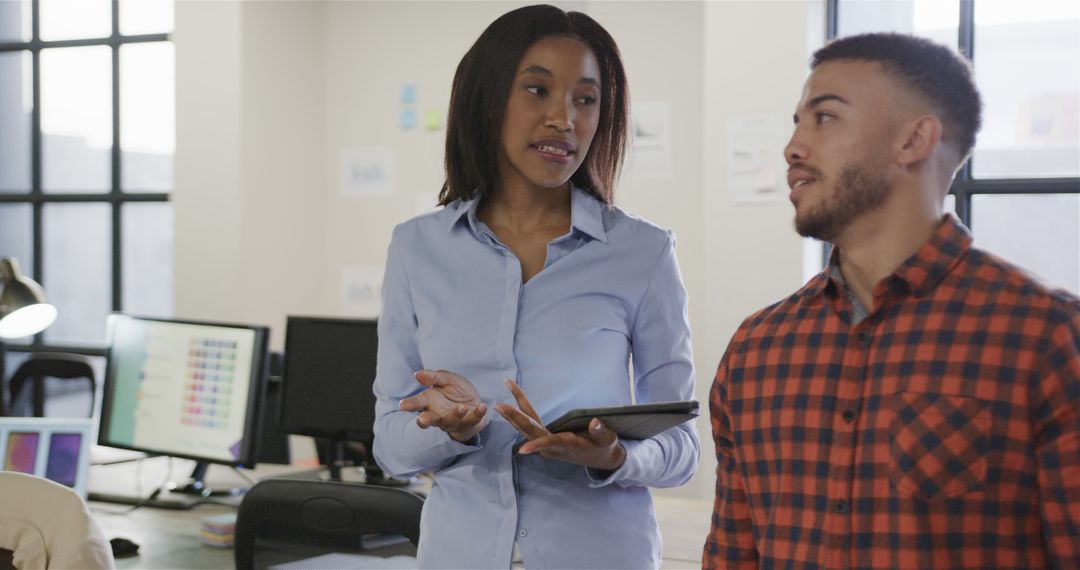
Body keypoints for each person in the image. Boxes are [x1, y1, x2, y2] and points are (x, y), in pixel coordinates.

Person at [703, 32, 1080, 569]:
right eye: (796, 123)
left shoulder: (1045, 335)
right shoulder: (756, 350)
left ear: (914, 140)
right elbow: (731, 557)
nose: (793, 148)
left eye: (825, 117)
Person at [372, 5, 699, 568]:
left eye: (586, 99)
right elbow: (389, 446)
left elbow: (683, 450)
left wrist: (613, 455)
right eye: (537, 90)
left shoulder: (642, 252)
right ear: (487, 97)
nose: (563, 119)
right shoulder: (416, 248)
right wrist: (452, 430)